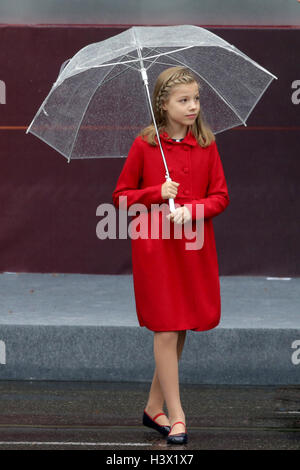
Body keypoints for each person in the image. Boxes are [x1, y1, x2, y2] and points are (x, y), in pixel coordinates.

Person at [112, 66, 230, 445]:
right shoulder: (144, 146)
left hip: (193, 248)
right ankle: (177, 415)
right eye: (184, 100)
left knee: (180, 328)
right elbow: (120, 198)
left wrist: (192, 210)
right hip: (156, 248)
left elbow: (221, 197)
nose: (193, 106)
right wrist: (155, 193)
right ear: (163, 105)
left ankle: (153, 406)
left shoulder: (207, 146)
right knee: (166, 326)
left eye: (196, 98)